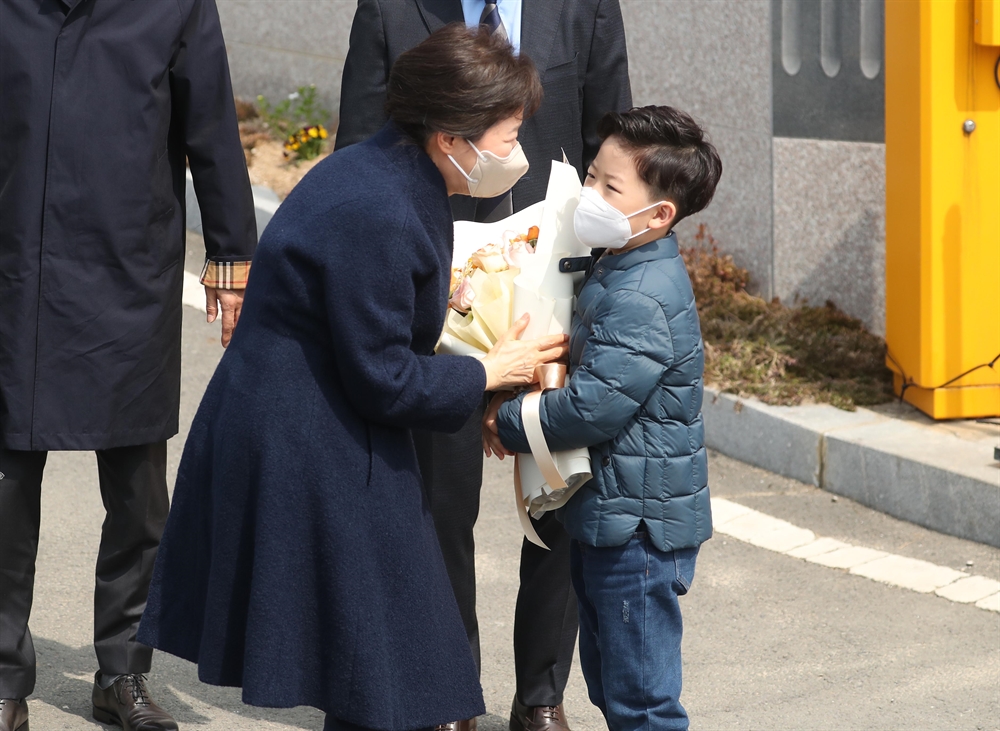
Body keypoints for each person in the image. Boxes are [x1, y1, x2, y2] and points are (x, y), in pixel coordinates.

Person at [137, 26, 567, 731]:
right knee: (391, 656)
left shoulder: (387, 166)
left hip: (315, 416)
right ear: (452, 134)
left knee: (378, 660)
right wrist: (493, 370)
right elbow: (386, 380)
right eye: (506, 133)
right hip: (304, 434)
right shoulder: (384, 206)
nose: (512, 151)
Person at [337, 3, 632, 729]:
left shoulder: (584, 7)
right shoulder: (389, 8)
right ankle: (447, 689)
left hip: (554, 293)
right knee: (439, 500)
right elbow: (357, 144)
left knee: (559, 492)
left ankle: (540, 693)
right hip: (434, 290)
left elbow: (613, 140)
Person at [0, 0, 256, 728]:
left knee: (139, 490)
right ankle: (3, 675)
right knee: (7, 486)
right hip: (16, 270)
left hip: (127, 271)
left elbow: (210, 125)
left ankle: (123, 672)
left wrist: (233, 249)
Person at [487, 106, 723, 730]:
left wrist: (506, 420)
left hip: (639, 532)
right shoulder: (622, 264)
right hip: (612, 517)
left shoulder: (641, 292)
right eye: (591, 176)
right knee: (615, 684)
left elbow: (593, 406)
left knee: (641, 701)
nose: (589, 195)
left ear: (660, 213)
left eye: (608, 187)